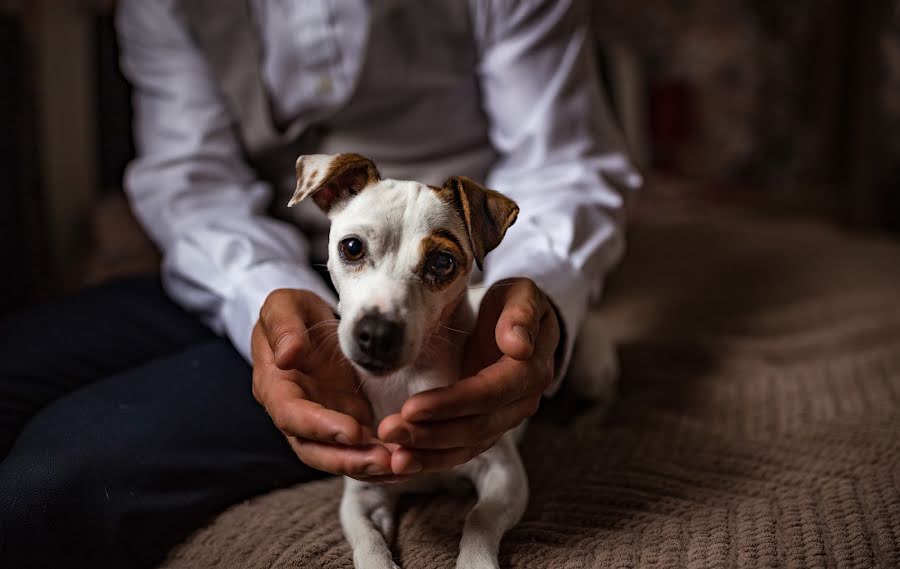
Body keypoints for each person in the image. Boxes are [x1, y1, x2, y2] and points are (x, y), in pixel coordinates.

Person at [0, 1, 639, 567]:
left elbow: (566, 162)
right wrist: (262, 297)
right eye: (353, 248)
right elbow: (191, 183)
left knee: (43, 487)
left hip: (453, 303)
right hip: (232, 268)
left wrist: (537, 295)